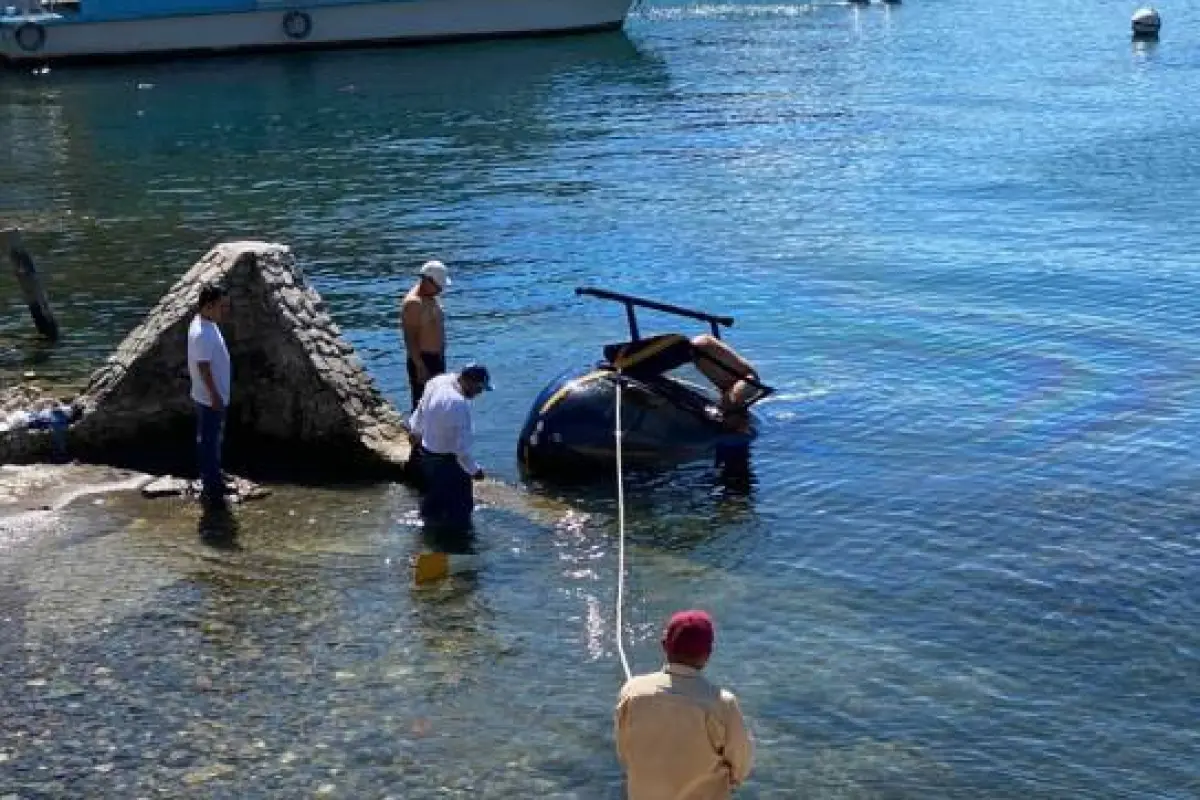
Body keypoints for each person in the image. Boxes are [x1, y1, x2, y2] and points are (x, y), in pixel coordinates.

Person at [615, 610, 754, 800]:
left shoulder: (632, 691)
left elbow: (624, 752)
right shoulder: (722, 704)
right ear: (708, 654)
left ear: (664, 646)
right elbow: (741, 765)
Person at [407, 363, 492, 530]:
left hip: (427, 456)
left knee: (433, 505)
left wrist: (416, 430)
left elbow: (421, 407)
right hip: (449, 463)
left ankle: (428, 546)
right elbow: (460, 449)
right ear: (469, 381)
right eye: (479, 388)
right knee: (460, 511)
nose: (479, 393)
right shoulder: (458, 403)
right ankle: (459, 548)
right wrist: (475, 471)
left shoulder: (438, 381)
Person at [187, 282, 232, 507]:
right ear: (209, 306)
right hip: (209, 398)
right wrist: (215, 396)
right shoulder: (203, 334)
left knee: (212, 438)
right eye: (222, 307)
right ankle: (212, 487)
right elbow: (203, 368)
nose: (226, 311)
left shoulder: (205, 323)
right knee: (209, 440)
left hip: (210, 396)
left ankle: (214, 475)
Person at [401, 260, 450, 410]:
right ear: (427, 281)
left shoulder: (431, 296)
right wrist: (420, 365)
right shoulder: (414, 303)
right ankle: (417, 433)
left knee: (437, 403)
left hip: (437, 358)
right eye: (438, 286)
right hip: (424, 360)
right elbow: (410, 338)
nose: (441, 290)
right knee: (422, 405)